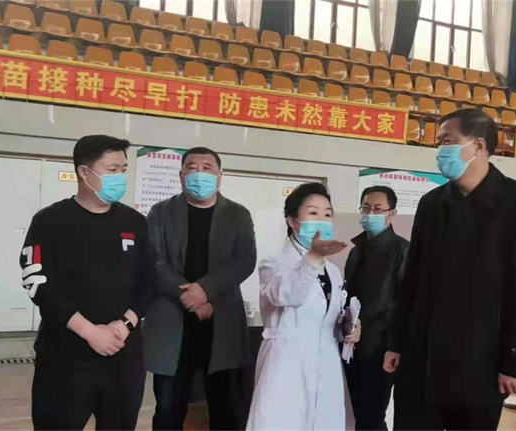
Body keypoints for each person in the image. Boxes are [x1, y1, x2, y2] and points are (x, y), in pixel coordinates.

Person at [384, 109, 516, 430]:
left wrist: (515, 363)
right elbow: (411, 280)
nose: (440, 150)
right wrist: (397, 342)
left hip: (481, 365)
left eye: (448, 141)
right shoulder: (432, 204)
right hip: (421, 359)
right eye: (439, 143)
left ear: (478, 145)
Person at [20, 135, 151, 430]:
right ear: (84, 172)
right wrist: (90, 332)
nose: (120, 177)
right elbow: (38, 283)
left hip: (123, 354)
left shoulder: (135, 222)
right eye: (112, 169)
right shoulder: (50, 221)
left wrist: (124, 325)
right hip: (65, 357)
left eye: (123, 169)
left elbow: (149, 282)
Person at [143, 147, 257, 430]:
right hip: (172, 320)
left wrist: (205, 291)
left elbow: (244, 260)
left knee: (225, 405)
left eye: (207, 167)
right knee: (168, 406)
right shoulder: (160, 212)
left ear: (219, 175)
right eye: (192, 167)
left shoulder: (237, 214)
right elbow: (153, 261)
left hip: (221, 321)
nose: (199, 173)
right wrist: (189, 296)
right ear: (181, 175)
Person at [247, 182, 361, 430]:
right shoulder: (274, 264)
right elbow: (287, 296)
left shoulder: (332, 271)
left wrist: (350, 327)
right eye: (313, 213)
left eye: (327, 214)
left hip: (326, 363)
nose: (322, 220)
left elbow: (329, 316)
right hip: (286, 362)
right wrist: (313, 258)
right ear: (292, 221)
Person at [344, 186, 409, 430]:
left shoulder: (402, 251)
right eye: (366, 208)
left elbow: (405, 305)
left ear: (391, 214)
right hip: (352, 345)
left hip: (381, 348)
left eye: (378, 209)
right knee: (358, 412)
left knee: (372, 415)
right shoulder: (356, 251)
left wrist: (395, 346)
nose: (370, 213)